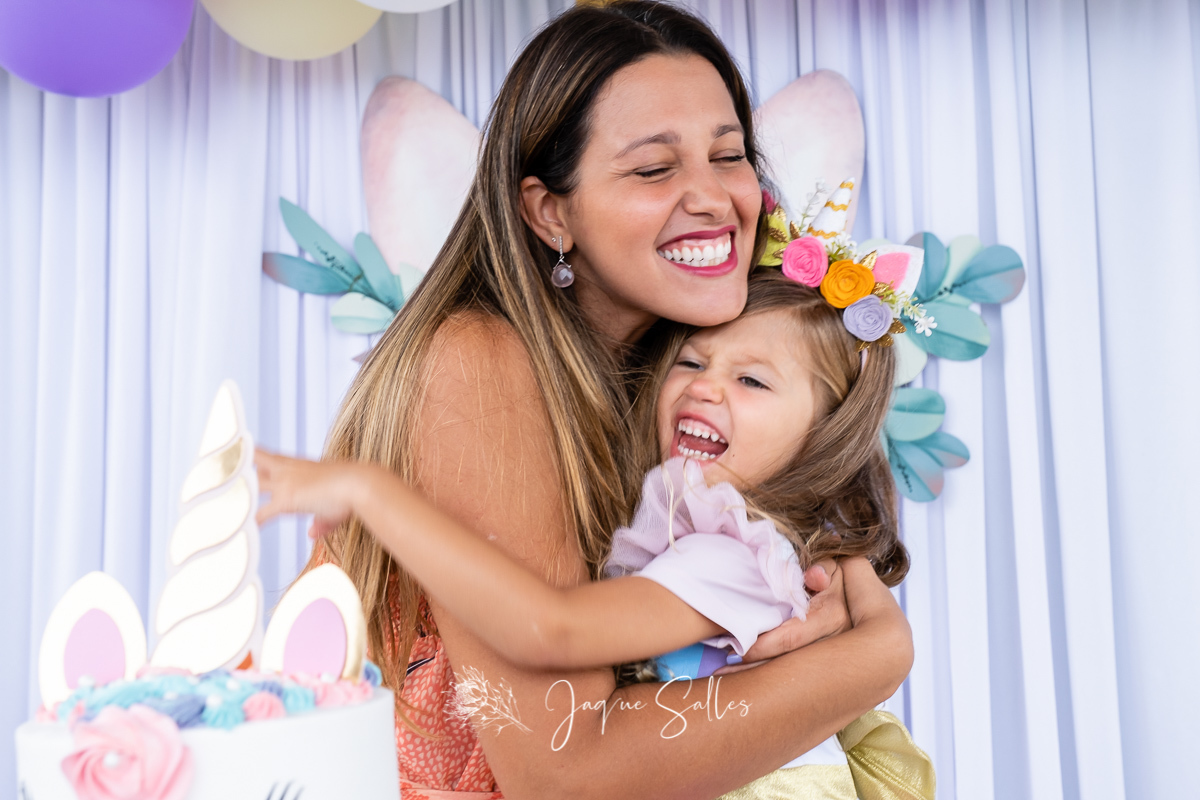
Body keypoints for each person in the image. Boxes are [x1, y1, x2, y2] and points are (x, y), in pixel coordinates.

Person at [263, 2, 913, 797]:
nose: (714, 198)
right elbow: (568, 773)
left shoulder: (679, 366)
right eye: (653, 168)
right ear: (549, 211)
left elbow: (801, 499)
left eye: (730, 155)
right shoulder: (481, 359)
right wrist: (875, 657)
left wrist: (827, 580)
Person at [257, 269, 935, 798]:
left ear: (823, 438)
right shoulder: (676, 531)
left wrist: (375, 495)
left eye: (753, 379)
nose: (707, 389)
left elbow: (554, 629)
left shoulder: (733, 555)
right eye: (692, 362)